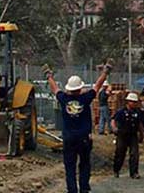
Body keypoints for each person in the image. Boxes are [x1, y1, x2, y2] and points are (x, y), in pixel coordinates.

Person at [48, 65, 111, 193]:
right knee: (85, 164)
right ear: (80, 87)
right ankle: (84, 188)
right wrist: (105, 72)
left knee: (70, 166)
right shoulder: (85, 98)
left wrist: (49, 76)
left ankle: (72, 190)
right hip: (83, 138)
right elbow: (97, 86)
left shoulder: (64, 99)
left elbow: (55, 89)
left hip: (69, 138)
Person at [111, 92, 144, 179]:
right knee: (120, 153)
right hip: (122, 135)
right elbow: (113, 120)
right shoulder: (121, 111)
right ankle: (116, 170)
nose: (134, 104)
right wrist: (114, 128)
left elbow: (140, 124)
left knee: (134, 154)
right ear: (128, 102)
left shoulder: (137, 112)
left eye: (135, 102)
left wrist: (141, 135)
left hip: (133, 135)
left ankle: (134, 173)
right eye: (132, 102)